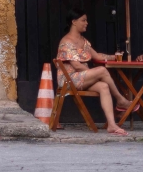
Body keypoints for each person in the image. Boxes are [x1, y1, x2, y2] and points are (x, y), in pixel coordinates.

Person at [57, 8, 135, 136]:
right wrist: (95, 73)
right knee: (102, 70)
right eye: (83, 20)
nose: (86, 23)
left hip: (82, 78)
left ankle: (111, 125)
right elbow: (76, 66)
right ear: (74, 22)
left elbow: (97, 56)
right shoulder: (66, 42)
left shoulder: (83, 41)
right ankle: (120, 100)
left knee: (104, 86)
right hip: (69, 80)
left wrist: (114, 56)